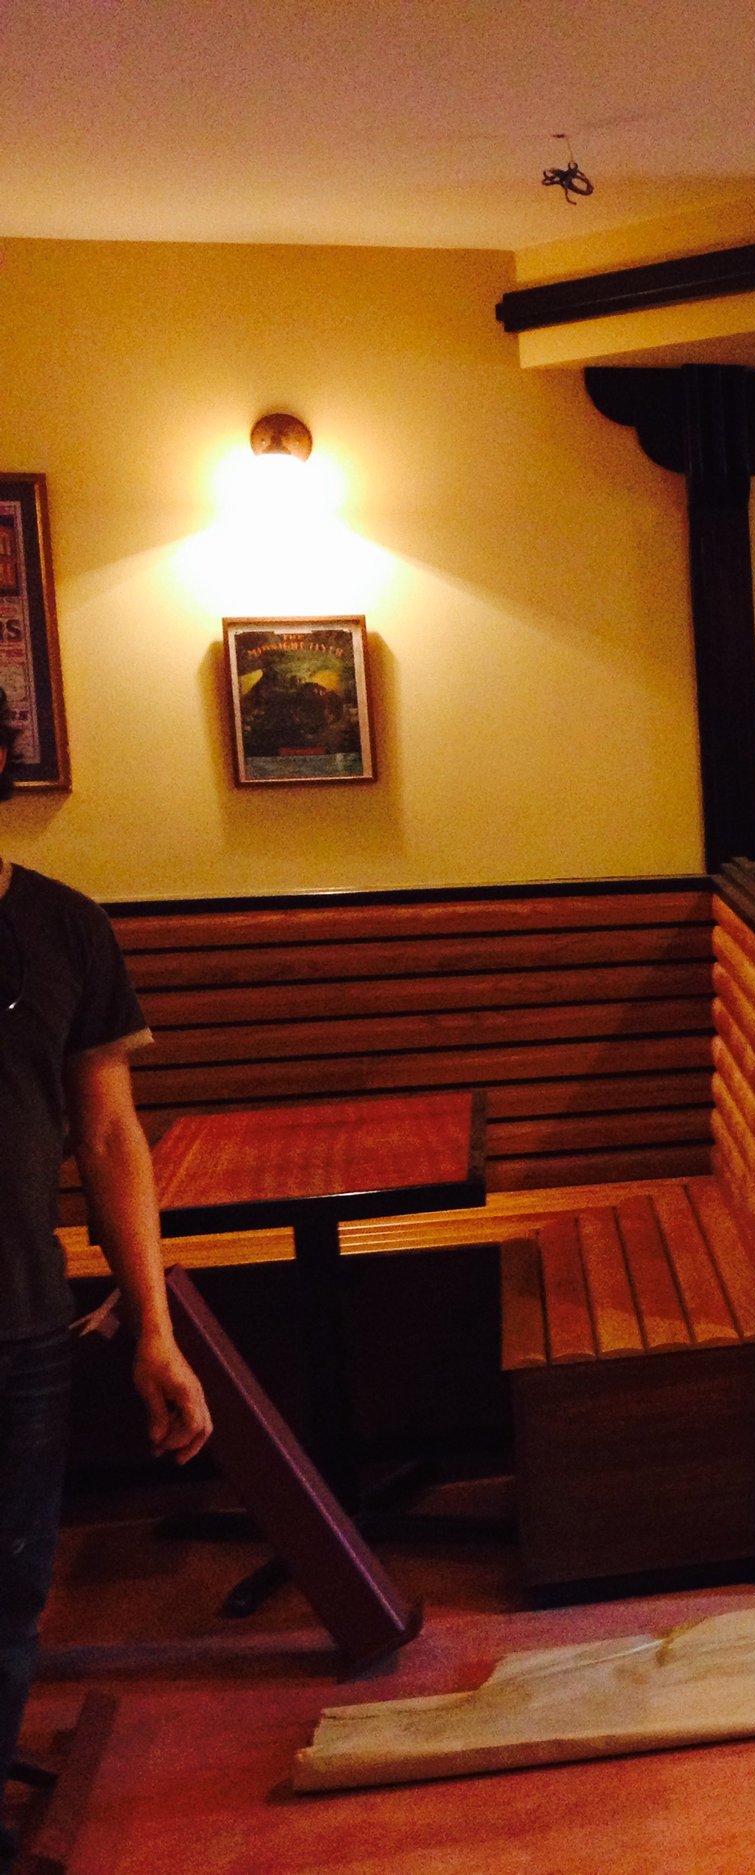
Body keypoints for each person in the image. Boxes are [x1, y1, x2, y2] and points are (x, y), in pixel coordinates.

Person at [0, 732, 210, 1843]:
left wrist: (154, 1329)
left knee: (12, 1586)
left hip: (22, 1311)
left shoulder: (65, 924)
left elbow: (112, 1136)